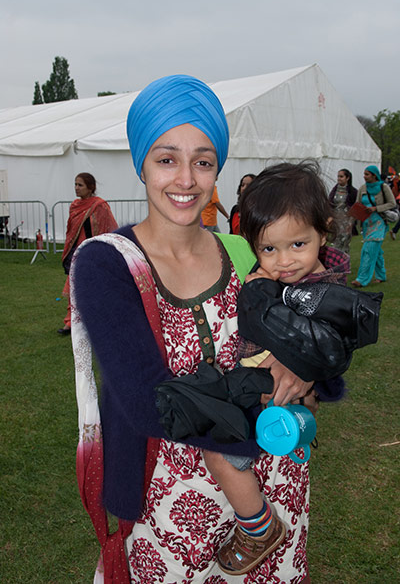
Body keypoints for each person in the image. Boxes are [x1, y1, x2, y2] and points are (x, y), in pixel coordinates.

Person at [71, 75, 314, 583]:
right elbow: (149, 401)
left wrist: (307, 365)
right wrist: (278, 379)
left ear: (217, 169)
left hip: (276, 484)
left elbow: (321, 352)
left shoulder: (246, 251)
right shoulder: (108, 263)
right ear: (141, 162)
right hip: (169, 501)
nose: (185, 179)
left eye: (203, 161)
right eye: (167, 159)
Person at [200, 161, 382, 575]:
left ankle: (258, 528)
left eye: (297, 245)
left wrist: (300, 369)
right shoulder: (270, 279)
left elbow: (334, 347)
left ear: (323, 231)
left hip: (271, 387)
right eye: (268, 249)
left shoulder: (326, 291)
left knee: (217, 450)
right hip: (268, 388)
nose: (283, 261)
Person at [58, 173, 118, 335]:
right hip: (76, 253)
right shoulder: (75, 206)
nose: (76, 188)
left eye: (80, 185)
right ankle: (70, 323)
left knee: (95, 288)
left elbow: (109, 228)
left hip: (94, 253)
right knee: (74, 288)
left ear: (90, 187)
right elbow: (71, 231)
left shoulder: (100, 206)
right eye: (75, 184)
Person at [351, 165, 396, 287]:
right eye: (364, 174)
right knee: (377, 251)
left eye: (367, 174)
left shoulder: (383, 187)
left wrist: (376, 208)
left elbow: (392, 203)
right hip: (366, 224)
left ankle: (362, 279)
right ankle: (381, 276)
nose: (364, 176)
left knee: (368, 250)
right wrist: (355, 221)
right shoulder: (362, 188)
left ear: (374, 175)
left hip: (379, 222)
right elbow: (358, 204)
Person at [328, 168, 358, 253]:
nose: (339, 179)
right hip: (336, 220)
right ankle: (337, 263)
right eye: (338, 176)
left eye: (341, 176)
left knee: (345, 243)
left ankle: (344, 263)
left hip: (347, 221)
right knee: (335, 242)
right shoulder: (334, 191)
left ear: (347, 178)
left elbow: (355, 208)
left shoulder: (353, 192)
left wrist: (351, 222)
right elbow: (330, 204)